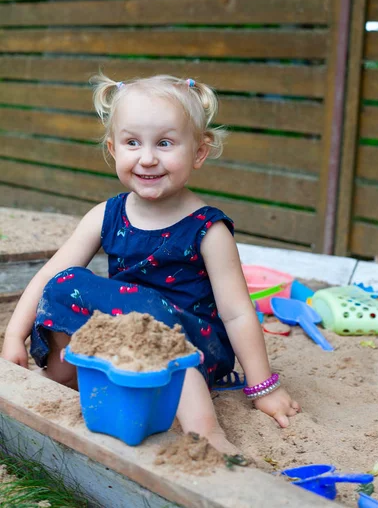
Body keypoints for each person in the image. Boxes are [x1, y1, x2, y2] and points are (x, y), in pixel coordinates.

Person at [2, 74, 300, 453]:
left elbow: (238, 313)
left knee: (145, 311)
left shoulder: (207, 229)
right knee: (66, 282)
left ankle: (205, 434)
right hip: (123, 337)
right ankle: (63, 373)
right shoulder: (105, 215)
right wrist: (14, 336)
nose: (147, 158)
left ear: (199, 151)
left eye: (164, 143)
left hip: (189, 345)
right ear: (113, 149)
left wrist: (263, 386)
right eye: (132, 143)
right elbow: (49, 276)